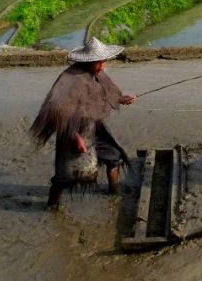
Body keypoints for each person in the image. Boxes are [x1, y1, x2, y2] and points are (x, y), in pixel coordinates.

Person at [29, 37, 137, 209]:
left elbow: (107, 93)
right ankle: (51, 206)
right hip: (71, 129)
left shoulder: (98, 74)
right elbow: (56, 110)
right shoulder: (70, 79)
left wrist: (122, 99)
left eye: (104, 62)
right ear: (88, 61)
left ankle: (114, 192)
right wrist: (74, 136)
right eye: (98, 63)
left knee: (113, 156)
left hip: (93, 125)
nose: (102, 66)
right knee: (64, 176)